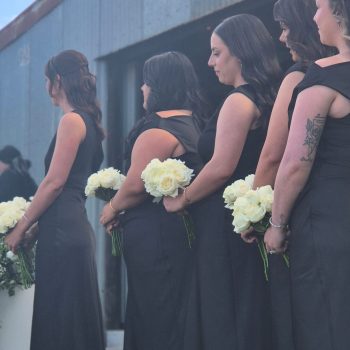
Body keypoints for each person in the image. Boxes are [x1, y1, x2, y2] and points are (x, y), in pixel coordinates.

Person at [164, 14, 281, 350]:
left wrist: (181, 199)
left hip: (224, 225)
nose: (210, 61)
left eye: (217, 52)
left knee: (223, 313)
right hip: (245, 220)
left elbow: (219, 167)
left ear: (240, 53)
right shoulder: (268, 98)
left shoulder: (238, 101)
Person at [240, 1, 333, 349]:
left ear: (303, 25)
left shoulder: (299, 78)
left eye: (284, 26)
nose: (281, 37)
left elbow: (274, 155)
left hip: (305, 218)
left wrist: (254, 212)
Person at [99, 51, 207, 350]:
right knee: (174, 313)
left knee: (155, 313)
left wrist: (111, 207)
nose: (141, 89)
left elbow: (135, 186)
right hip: (177, 235)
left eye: (146, 82)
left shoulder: (157, 131)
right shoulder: (196, 125)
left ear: (159, 85)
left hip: (155, 239)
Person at [5, 50, 105, 350]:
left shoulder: (71, 121)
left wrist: (22, 226)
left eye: (46, 80)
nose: (46, 86)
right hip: (72, 227)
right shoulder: (90, 122)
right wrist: (38, 229)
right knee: (72, 319)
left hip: (63, 233)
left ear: (57, 81)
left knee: (60, 323)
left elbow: (54, 182)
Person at [264, 0, 350, 348]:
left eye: (319, 7)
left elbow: (295, 161)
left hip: (328, 220)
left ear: (341, 13)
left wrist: (277, 224)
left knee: (326, 323)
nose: (314, 16)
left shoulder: (323, 76)